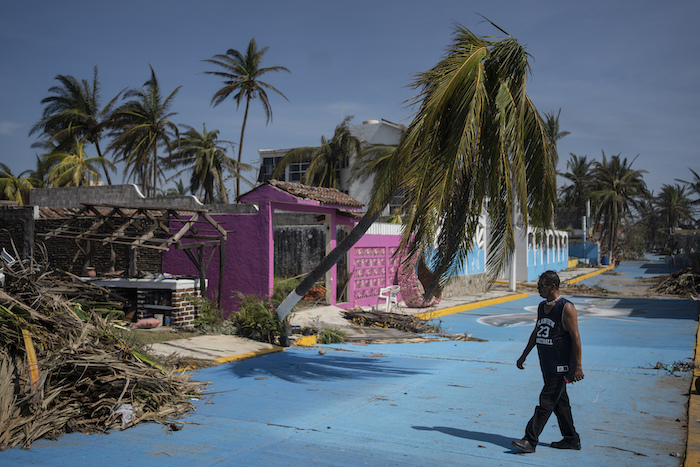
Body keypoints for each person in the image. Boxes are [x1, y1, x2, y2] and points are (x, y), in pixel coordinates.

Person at [512, 270, 584, 453]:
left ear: (553, 286)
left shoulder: (566, 308)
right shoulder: (542, 307)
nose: (539, 289)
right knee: (561, 405)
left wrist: (577, 366)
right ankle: (571, 439)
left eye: (542, 286)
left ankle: (530, 440)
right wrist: (524, 355)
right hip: (547, 364)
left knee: (546, 402)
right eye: (538, 286)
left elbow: (576, 338)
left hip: (561, 367)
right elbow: (537, 332)